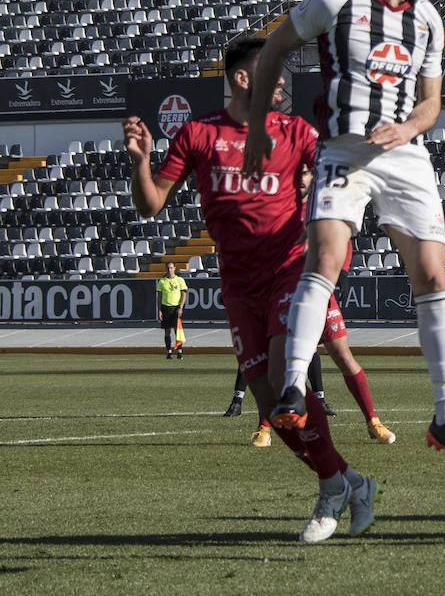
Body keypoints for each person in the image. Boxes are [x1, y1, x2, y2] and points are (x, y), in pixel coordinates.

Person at [244, 0, 445, 467]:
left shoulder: (428, 18)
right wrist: (258, 125)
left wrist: (406, 128)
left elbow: (431, 104)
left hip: (404, 155)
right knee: (325, 259)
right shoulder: (337, 0)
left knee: (432, 275)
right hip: (344, 151)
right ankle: (291, 389)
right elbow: (275, 49)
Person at [124, 36, 378, 542]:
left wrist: (320, 184)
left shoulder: (296, 131)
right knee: (271, 406)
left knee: (289, 382)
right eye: (272, 72)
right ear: (244, 79)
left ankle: (330, 490)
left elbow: (341, 176)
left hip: (290, 269)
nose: (281, 81)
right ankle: (348, 481)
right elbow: (150, 205)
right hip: (238, 284)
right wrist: (139, 162)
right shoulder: (198, 135)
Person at [227, 346, 395, 447]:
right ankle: (264, 428)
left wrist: (338, 285)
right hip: (279, 295)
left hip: (316, 293)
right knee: (269, 355)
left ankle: (373, 422)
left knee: (342, 354)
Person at [155, 262, 187, 360]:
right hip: (165, 308)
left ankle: (179, 351)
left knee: (177, 331)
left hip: (176, 308)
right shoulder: (162, 281)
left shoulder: (179, 280)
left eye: (171, 268)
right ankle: (169, 351)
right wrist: (159, 310)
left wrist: (181, 307)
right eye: (168, 268)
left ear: (174, 268)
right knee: (167, 331)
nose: (170, 270)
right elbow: (159, 297)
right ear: (166, 269)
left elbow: (184, 294)